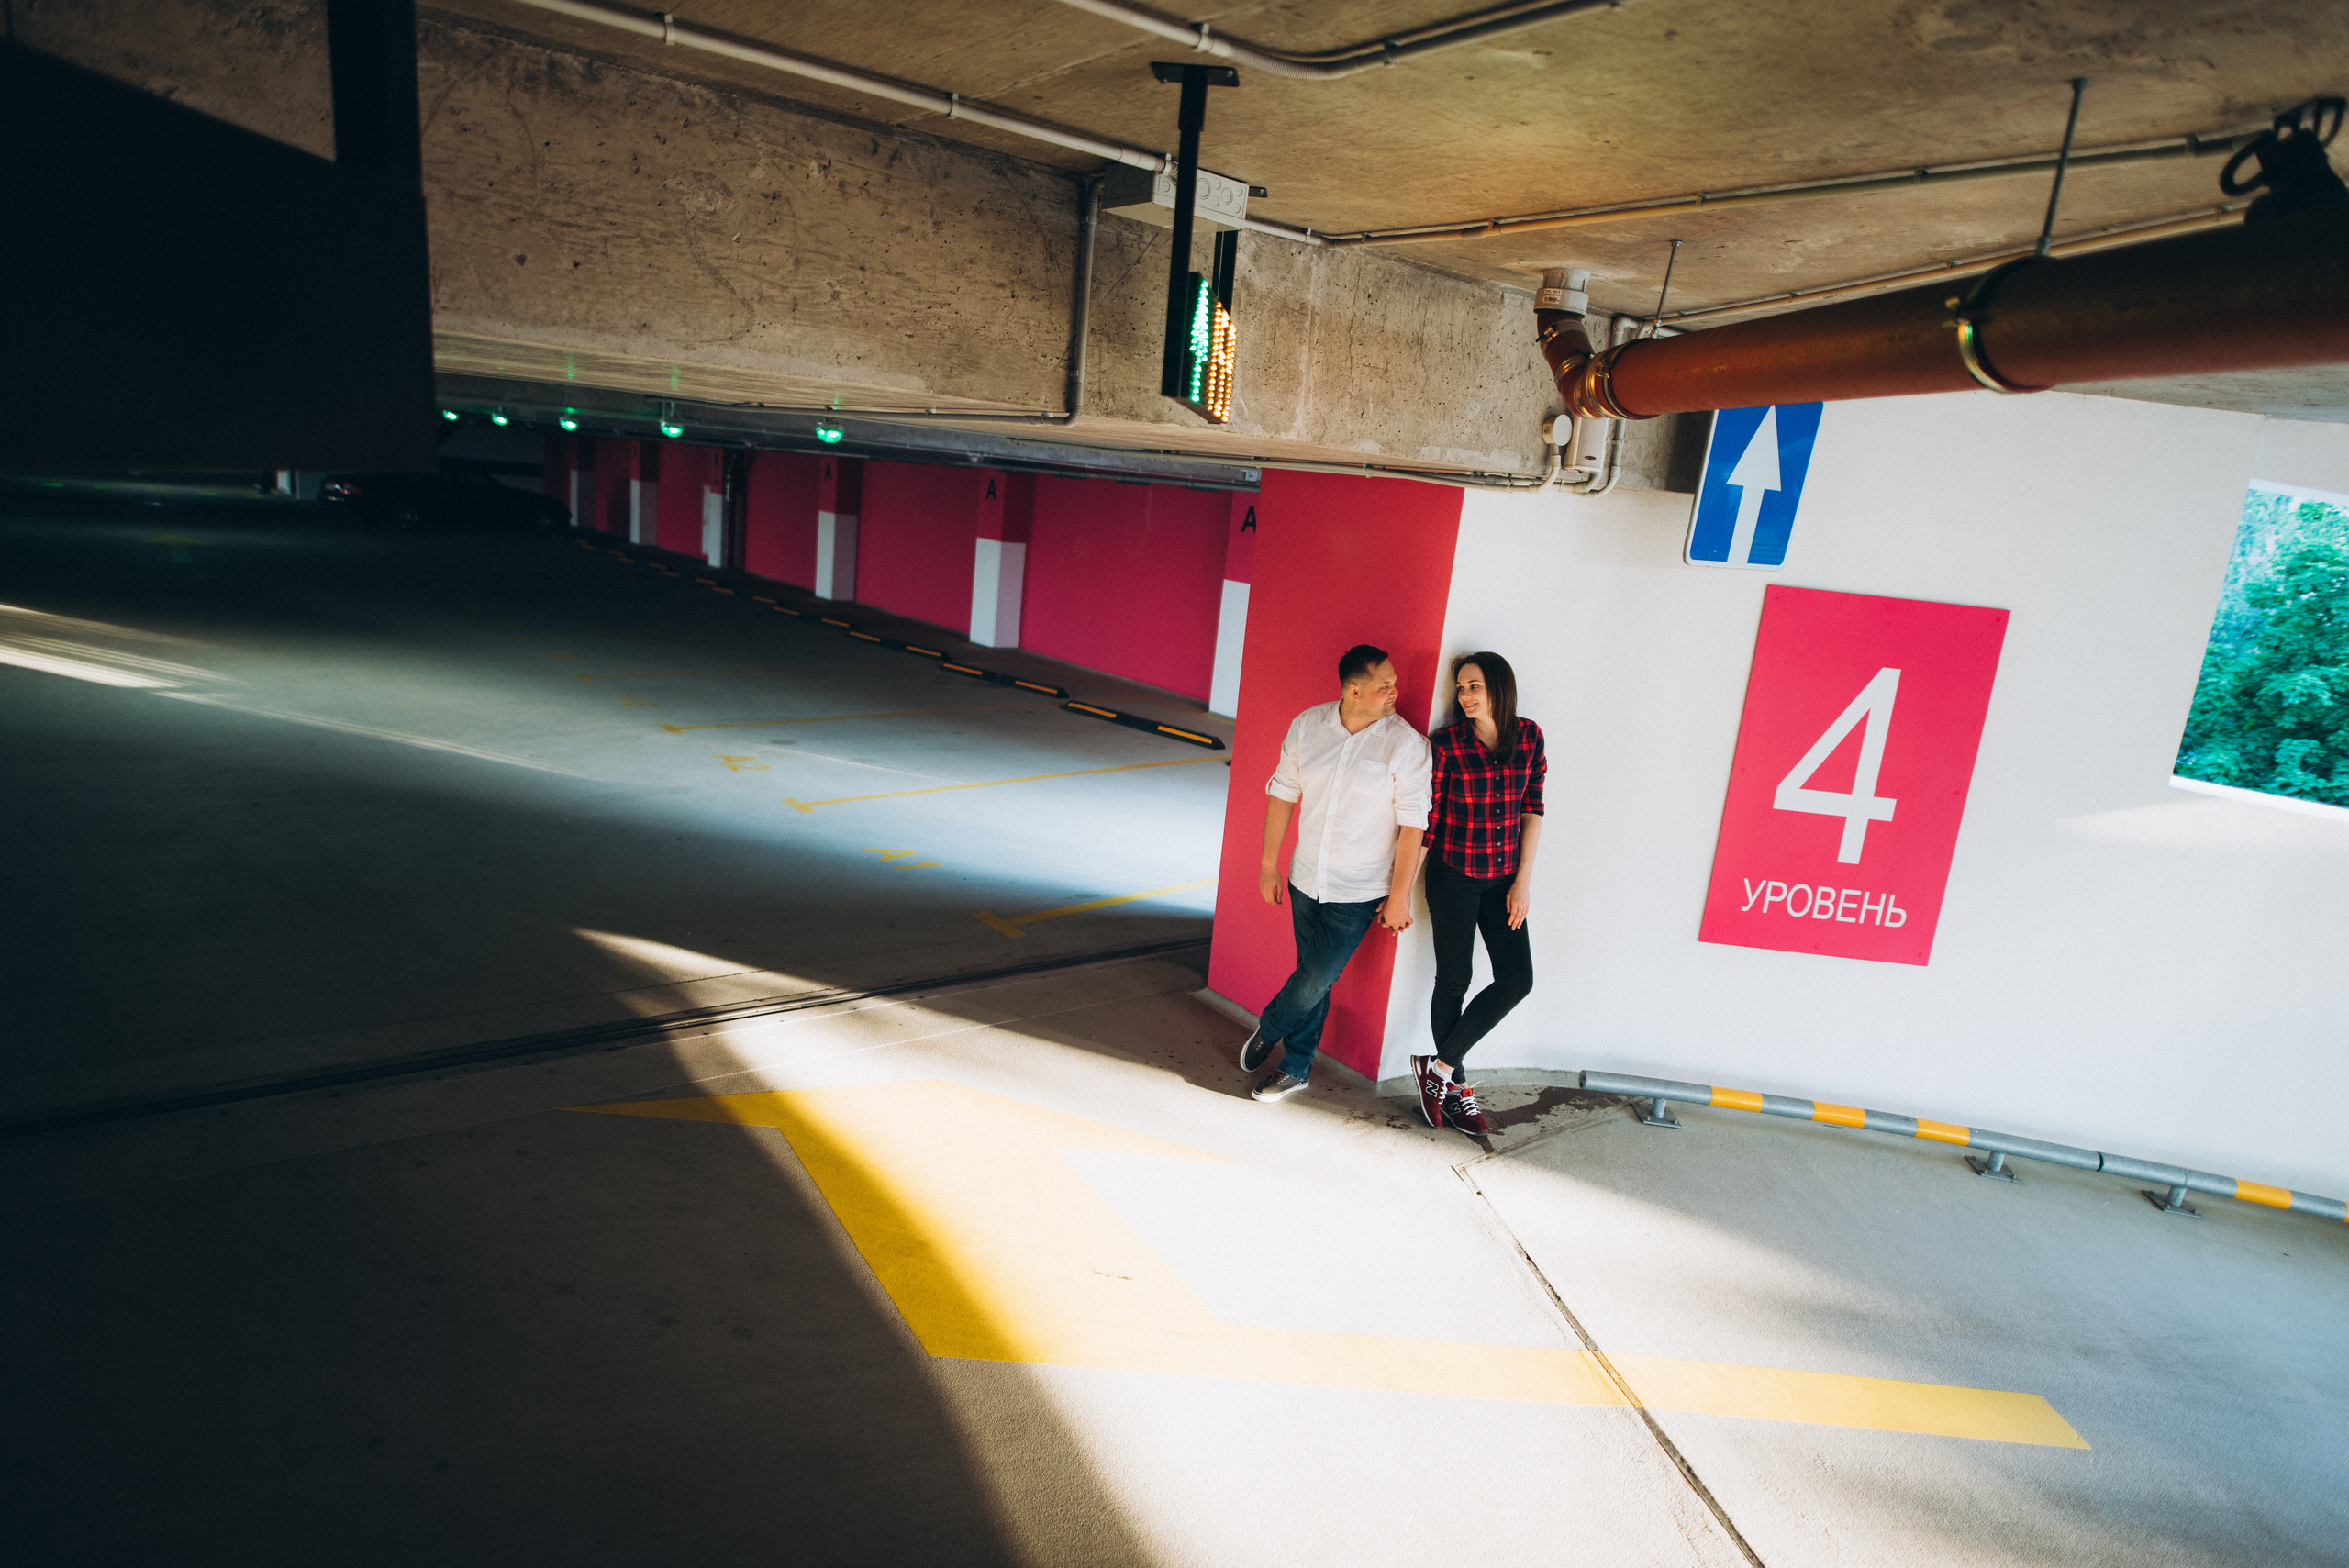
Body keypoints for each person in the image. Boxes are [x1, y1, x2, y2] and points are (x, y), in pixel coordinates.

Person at [1241, 644, 1431, 1103]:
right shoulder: (1307, 727)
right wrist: (1268, 864)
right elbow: (1283, 793)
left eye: (1394, 682)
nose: (1395, 691)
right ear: (1354, 690)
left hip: (1361, 888)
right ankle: (1296, 1068)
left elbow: (1414, 826)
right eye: (1384, 685)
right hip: (1306, 876)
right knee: (1313, 975)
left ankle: (1271, 1027)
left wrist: (1400, 895)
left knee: (1316, 977)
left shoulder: (1406, 745)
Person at [1410, 651, 1544, 1135]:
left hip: (1504, 879)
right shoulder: (1444, 744)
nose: (1465, 696)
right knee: (1454, 980)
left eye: (1475, 687)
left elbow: (1533, 807)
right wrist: (1401, 889)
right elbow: (1427, 822)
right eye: (1461, 687)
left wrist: (1523, 881)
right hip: (1453, 876)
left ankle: (1439, 1070)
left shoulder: (1529, 736)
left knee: (1517, 979)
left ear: (1499, 689)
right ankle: (1458, 1091)